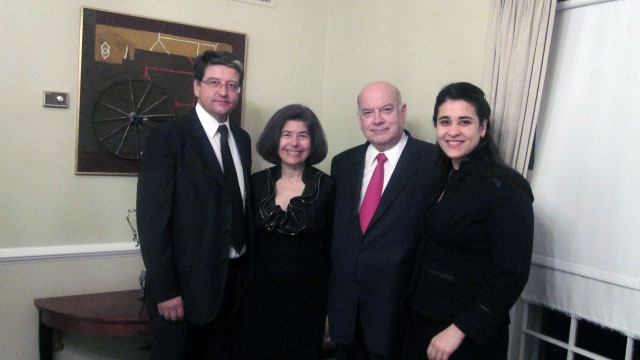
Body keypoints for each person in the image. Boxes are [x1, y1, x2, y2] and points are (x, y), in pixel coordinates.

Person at [401, 82, 534, 360]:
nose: (453, 131)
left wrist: (460, 329)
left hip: (466, 335)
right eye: (444, 121)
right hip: (421, 321)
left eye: (464, 122)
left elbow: (511, 274)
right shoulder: (438, 178)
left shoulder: (506, 187)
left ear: (482, 128)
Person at [137, 50, 251, 360]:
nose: (223, 91)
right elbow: (152, 221)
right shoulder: (167, 138)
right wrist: (165, 290)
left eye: (232, 84)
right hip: (185, 290)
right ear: (196, 87)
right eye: (214, 82)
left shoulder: (241, 139)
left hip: (235, 283)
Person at [329, 81, 439, 359]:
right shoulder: (342, 164)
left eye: (386, 110)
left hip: (401, 316)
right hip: (347, 318)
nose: (377, 120)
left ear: (402, 112)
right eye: (368, 112)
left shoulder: (433, 162)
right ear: (359, 119)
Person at [237, 104, 335, 359]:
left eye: (303, 135)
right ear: (275, 139)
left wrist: (331, 311)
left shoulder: (329, 187)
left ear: (313, 142)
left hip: (309, 303)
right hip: (257, 299)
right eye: (286, 134)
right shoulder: (255, 183)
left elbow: (335, 252)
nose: (294, 143)